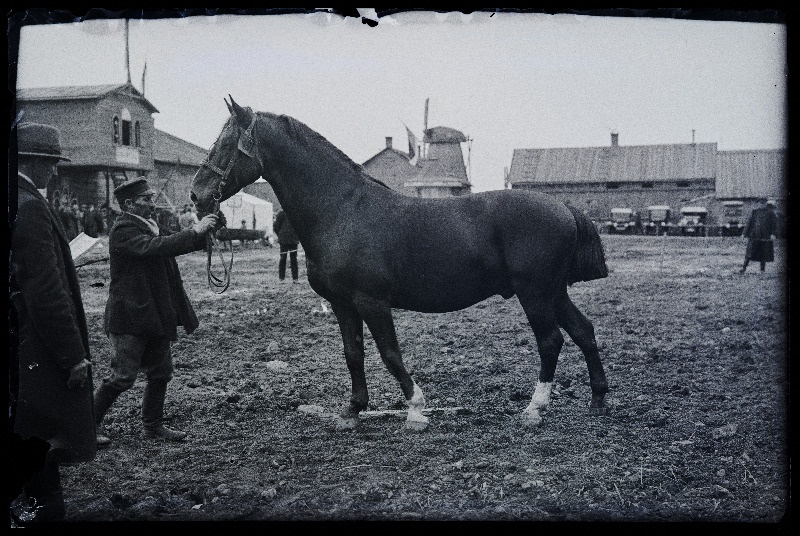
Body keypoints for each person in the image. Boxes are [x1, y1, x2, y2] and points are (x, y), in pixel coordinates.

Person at [10, 122, 97, 523]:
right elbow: (46, 294)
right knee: (39, 444)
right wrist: (73, 356)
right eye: (51, 163)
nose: (56, 171)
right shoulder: (29, 207)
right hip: (33, 346)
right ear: (35, 163)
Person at [93, 177, 219, 445]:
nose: (152, 202)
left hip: (154, 313)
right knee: (122, 377)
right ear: (128, 204)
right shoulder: (123, 229)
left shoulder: (148, 224)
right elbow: (155, 248)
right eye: (146, 199)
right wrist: (195, 231)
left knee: (161, 373)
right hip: (129, 316)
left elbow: (170, 244)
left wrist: (204, 233)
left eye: (151, 197)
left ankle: (153, 426)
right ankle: (83, 429)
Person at [740, 198, 778, 273]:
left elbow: (775, 225)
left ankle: (762, 270)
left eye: (763, 203)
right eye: (760, 203)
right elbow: (749, 223)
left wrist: (773, 234)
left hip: (765, 236)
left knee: (763, 253)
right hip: (754, 235)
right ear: (758, 204)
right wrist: (744, 233)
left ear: (766, 203)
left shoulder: (771, 213)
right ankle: (743, 268)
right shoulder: (754, 212)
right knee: (749, 253)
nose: (761, 204)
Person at [274, 208, 300, 283]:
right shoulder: (282, 213)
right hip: (286, 240)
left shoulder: (295, 214)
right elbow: (276, 226)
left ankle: (294, 278)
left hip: (291, 240)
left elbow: (299, 226)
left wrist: (280, 235)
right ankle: (282, 278)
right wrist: (281, 235)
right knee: (284, 258)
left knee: (292, 259)